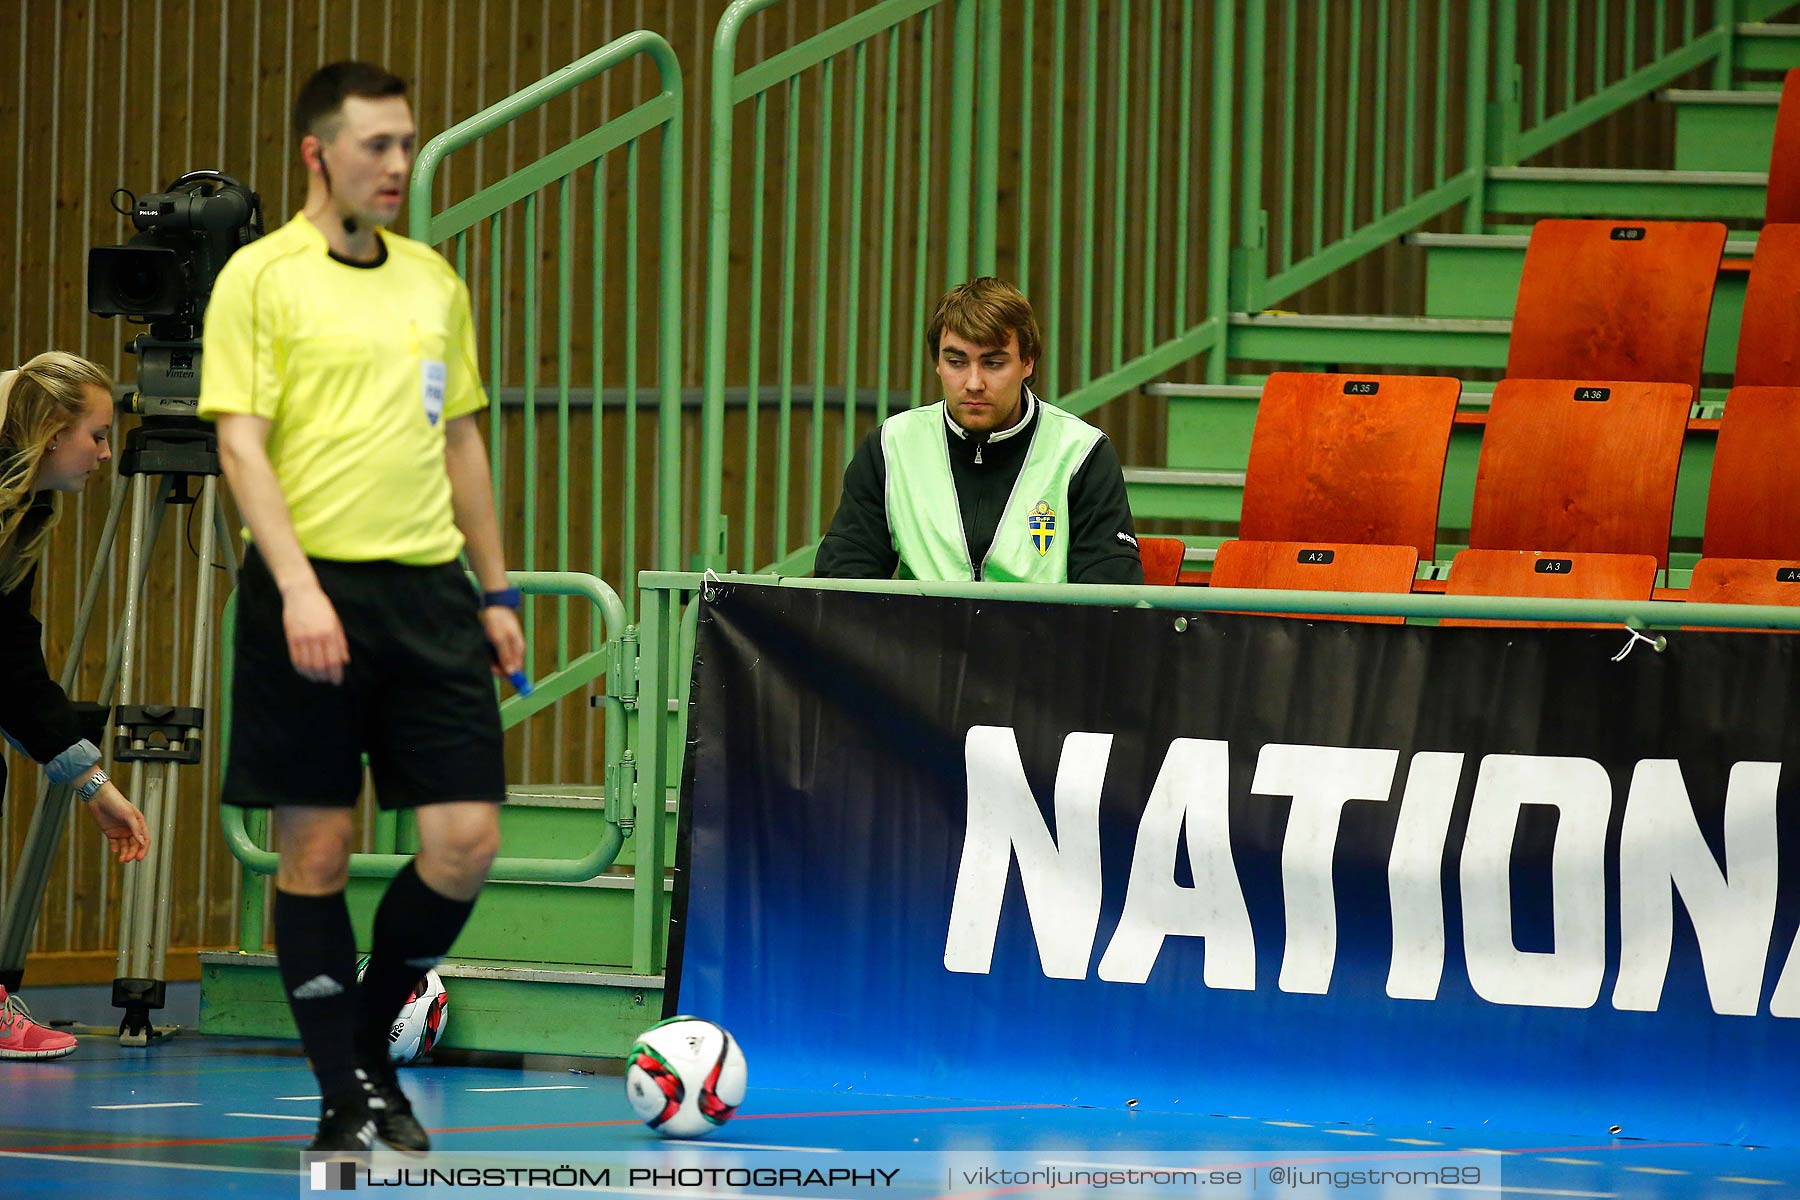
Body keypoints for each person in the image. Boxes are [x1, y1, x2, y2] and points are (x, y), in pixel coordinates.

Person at [198, 62, 524, 1153]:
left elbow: (460, 438)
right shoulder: (260, 277)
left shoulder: (433, 282)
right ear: (316, 154)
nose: (398, 166)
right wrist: (296, 586)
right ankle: (343, 1094)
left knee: (466, 838)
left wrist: (496, 588)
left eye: (406, 145)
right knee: (319, 853)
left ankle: (372, 1041)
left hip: (428, 592)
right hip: (308, 585)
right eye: (376, 146)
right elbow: (239, 442)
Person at [0, 352, 152, 1061]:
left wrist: (94, 784)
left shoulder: (25, 506)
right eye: (95, 433)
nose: (103, 451)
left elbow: (11, 661)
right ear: (52, 431)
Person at [814, 278, 1144, 584]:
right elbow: (843, 576)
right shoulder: (891, 445)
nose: (974, 383)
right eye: (957, 362)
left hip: (1040, 644)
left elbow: (1109, 595)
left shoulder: (1081, 452)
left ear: (1027, 362)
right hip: (921, 644)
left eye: (993, 363)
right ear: (938, 363)